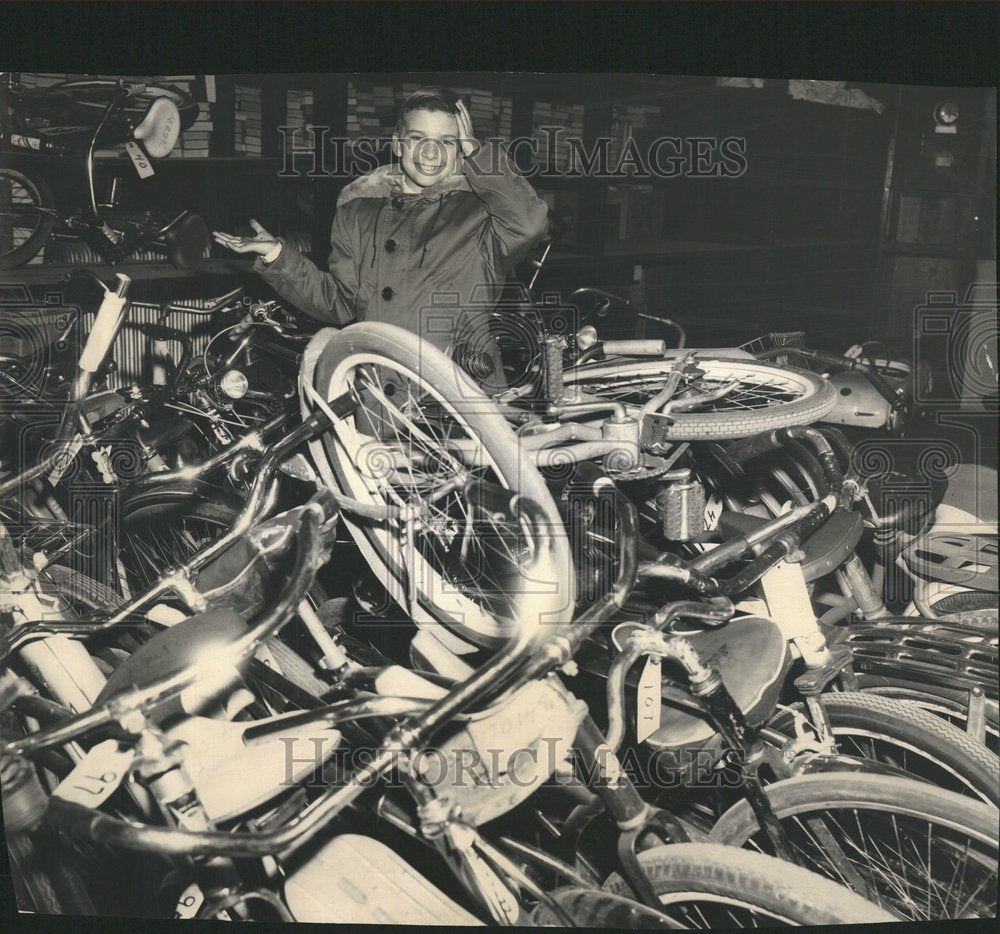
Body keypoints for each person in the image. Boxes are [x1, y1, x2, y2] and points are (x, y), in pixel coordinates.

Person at [213, 87, 550, 378]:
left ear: (461, 150)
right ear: (397, 144)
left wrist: (479, 154)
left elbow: (530, 224)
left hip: (461, 392)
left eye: (447, 142)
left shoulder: (481, 214)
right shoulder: (357, 212)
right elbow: (341, 304)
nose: (430, 154)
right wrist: (276, 255)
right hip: (381, 391)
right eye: (417, 138)